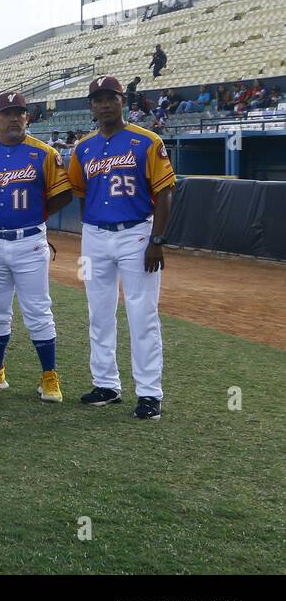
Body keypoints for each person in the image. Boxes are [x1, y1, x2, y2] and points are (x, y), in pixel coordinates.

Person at [67, 75, 175, 420]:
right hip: (95, 235)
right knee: (98, 312)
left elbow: (165, 193)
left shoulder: (146, 140)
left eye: (111, 97)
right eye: (98, 99)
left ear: (122, 101)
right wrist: (90, 231)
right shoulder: (82, 148)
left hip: (137, 233)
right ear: (91, 107)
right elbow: (82, 194)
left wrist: (156, 240)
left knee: (142, 314)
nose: (105, 104)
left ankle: (148, 393)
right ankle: (106, 384)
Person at [0, 92, 72, 401]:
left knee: (38, 310)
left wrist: (35, 217)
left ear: (27, 117)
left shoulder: (44, 153)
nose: (13, 118)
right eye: (7, 113)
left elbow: (63, 194)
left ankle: (49, 376)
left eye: (19, 112)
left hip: (29, 241)